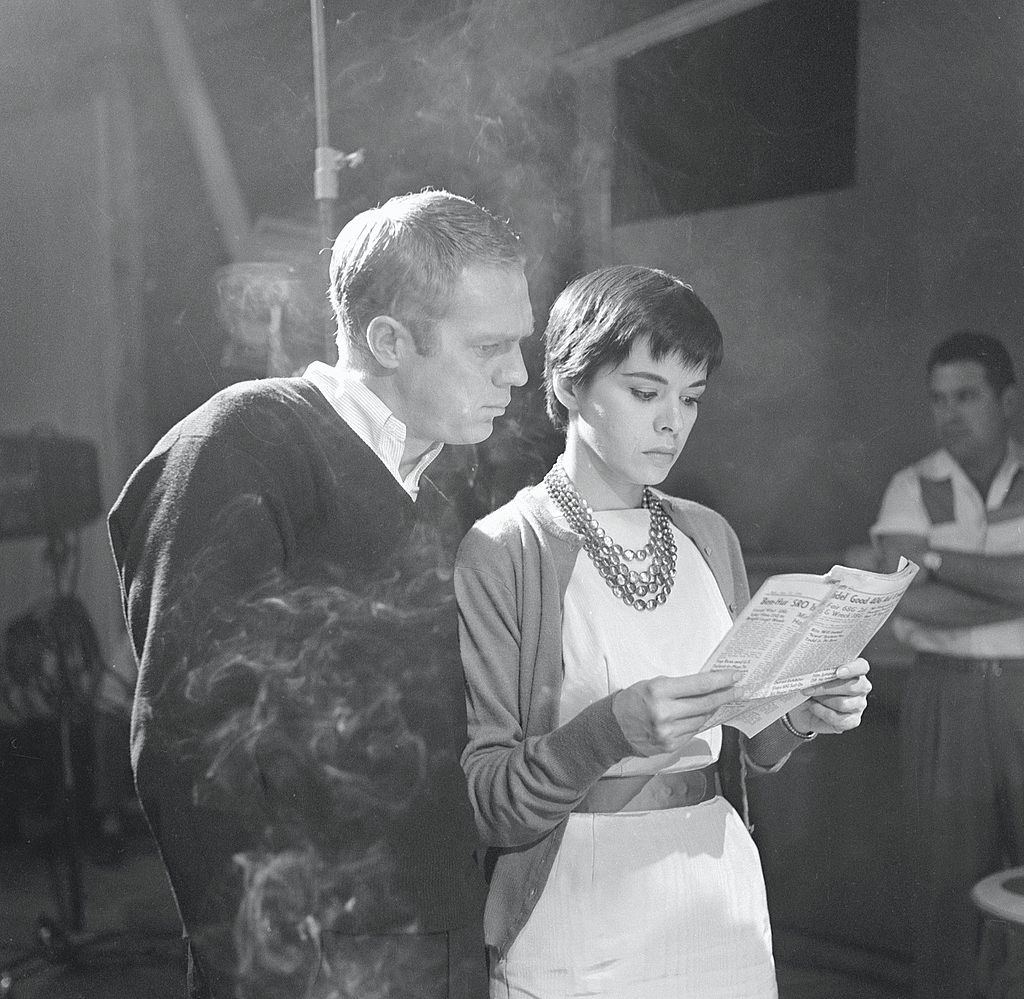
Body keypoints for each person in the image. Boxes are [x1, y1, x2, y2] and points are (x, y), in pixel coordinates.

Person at [107, 189, 534, 999]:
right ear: (389, 339)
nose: (518, 373)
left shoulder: (437, 488)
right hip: (314, 965)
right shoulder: (241, 446)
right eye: (491, 347)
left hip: (437, 938)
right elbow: (189, 745)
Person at [455, 264, 872, 999]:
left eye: (691, 398)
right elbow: (490, 796)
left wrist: (803, 716)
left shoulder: (708, 534)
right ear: (567, 384)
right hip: (577, 900)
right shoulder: (505, 549)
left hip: (717, 890)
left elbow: (748, 736)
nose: (671, 420)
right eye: (644, 392)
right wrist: (609, 730)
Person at [870, 330, 1024, 999]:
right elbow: (903, 595)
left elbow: (918, 577)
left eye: (967, 395)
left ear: (1007, 399)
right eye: (939, 399)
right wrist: (1008, 587)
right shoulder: (913, 484)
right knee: (946, 884)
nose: (950, 413)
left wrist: (932, 558)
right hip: (946, 696)